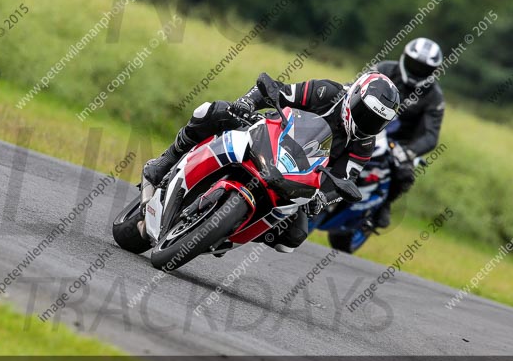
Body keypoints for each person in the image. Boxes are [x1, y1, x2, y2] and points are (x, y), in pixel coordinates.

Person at [143, 72, 400, 253]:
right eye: (365, 112)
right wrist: (246, 103)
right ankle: (165, 162)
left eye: (377, 121)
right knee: (212, 111)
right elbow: (279, 90)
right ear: (355, 95)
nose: (368, 123)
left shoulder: (365, 144)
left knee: (293, 238)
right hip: (268, 137)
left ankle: (226, 229)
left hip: (294, 177)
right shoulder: (327, 92)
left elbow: (345, 178)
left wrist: (323, 197)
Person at [372, 37, 446, 229]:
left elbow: (431, 135)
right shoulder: (384, 69)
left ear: (433, 71)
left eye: (424, 69)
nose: (417, 71)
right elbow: (355, 86)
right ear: (404, 57)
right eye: (414, 64)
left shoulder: (434, 96)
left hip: (399, 144)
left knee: (405, 173)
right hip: (367, 126)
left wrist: (409, 152)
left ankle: (383, 205)